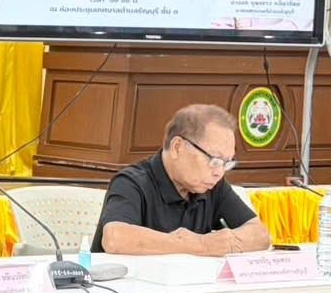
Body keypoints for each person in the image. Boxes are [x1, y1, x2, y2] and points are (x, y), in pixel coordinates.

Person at [93, 103, 271, 256]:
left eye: (226, 163)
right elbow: (115, 238)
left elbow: (260, 235)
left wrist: (228, 242)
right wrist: (203, 245)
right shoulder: (132, 182)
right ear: (177, 147)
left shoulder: (213, 186)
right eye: (214, 160)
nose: (219, 172)